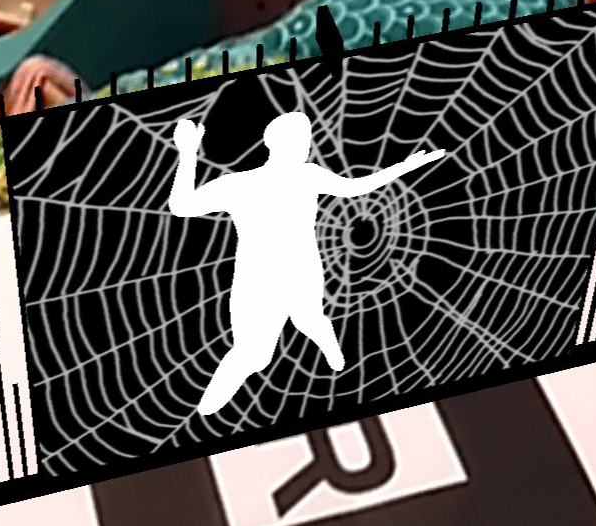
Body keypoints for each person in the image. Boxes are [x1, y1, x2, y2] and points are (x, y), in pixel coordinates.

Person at [169, 111, 446, 416]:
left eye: (307, 140)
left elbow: (355, 188)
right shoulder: (242, 183)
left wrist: (403, 167)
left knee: (307, 318)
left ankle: (330, 347)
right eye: (301, 140)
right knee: (254, 355)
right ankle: (206, 408)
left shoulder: (306, 175)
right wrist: (188, 154)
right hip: (257, 277)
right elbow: (182, 207)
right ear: (273, 142)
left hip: (299, 267)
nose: (307, 146)